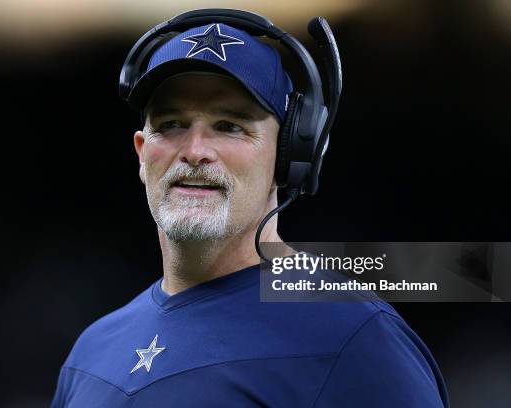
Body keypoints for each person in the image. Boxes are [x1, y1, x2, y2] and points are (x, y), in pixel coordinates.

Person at [52, 11, 449, 407]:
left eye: (230, 126)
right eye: (171, 123)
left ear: (290, 155)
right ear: (142, 153)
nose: (194, 151)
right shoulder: (91, 352)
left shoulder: (355, 339)